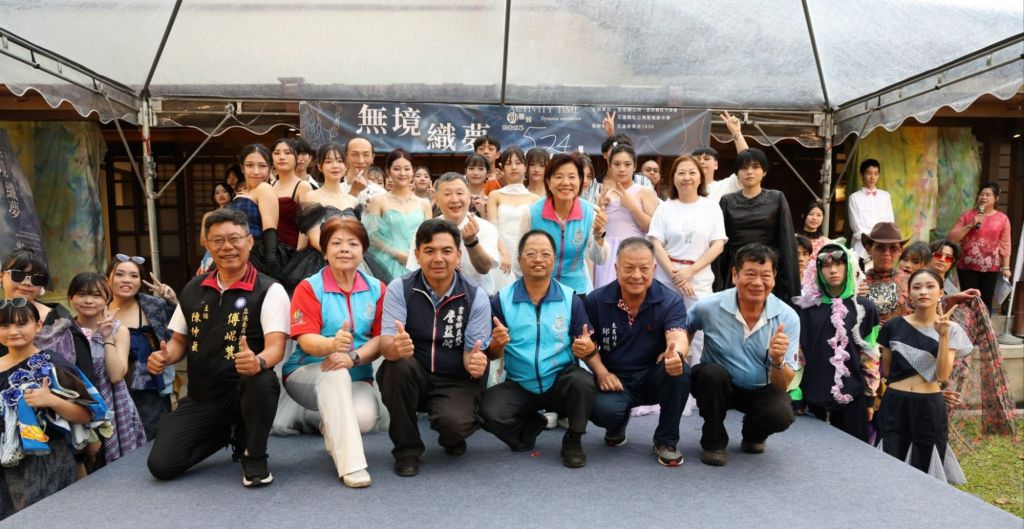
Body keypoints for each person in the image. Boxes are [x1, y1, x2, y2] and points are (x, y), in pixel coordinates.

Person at [146, 209, 287, 488]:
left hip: (245, 390)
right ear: (207, 245)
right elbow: (179, 341)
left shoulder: (269, 289)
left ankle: (254, 454)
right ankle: (228, 432)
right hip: (203, 396)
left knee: (263, 380)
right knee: (162, 464)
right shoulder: (193, 288)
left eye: (234, 239)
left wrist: (258, 361)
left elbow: (276, 347)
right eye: (218, 240)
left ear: (249, 242)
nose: (227, 247)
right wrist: (166, 356)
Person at [378, 219, 492, 477]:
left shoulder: (475, 296)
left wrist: (475, 363)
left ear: (458, 255)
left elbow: (471, 354)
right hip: (414, 374)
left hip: (455, 379)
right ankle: (407, 450)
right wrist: (396, 347)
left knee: (455, 425)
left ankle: (452, 433)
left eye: (446, 251)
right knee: (396, 366)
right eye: (429, 251)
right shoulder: (400, 288)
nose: (438, 258)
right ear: (417, 254)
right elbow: (386, 344)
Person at [482, 230, 596, 468]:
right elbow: (490, 354)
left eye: (545, 254)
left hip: (559, 381)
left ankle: (574, 440)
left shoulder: (570, 299)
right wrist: (496, 345)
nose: (538, 259)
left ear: (554, 260)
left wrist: (587, 347)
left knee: (583, 382)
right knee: (486, 409)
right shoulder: (501, 300)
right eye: (531, 254)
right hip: (520, 383)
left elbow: (586, 344)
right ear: (519, 259)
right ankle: (530, 427)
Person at [287, 218, 385, 488]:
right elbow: (306, 340)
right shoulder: (309, 287)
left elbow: (380, 339)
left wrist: (353, 357)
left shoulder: (377, 288)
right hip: (307, 372)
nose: (344, 249)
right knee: (334, 374)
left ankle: (331, 425)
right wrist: (331, 345)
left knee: (364, 419)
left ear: (363, 251)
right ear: (324, 250)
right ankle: (352, 465)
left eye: (352, 244)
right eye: (336, 243)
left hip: (357, 375)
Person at [685, 243, 799, 466]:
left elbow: (783, 383)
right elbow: (684, 328)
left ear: (774, 277)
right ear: (735, 274)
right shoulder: (709, 306)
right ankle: (713, 441)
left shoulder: (788, 318)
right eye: (750, 274)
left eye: (765, 275)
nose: (757, 282)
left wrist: (778, 360)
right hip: (719, 385)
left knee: (781, 414)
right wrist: (677, 354)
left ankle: (753, 434)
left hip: (760, 388)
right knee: (710, 375)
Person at [582, 238, 690, 466]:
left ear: (654, 269)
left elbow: (678, 335)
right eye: (629, 268)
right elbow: (588, 345)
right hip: (615, 380)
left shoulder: (670, 301)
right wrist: (601, 372)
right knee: (603, 411)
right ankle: (617, 424)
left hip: (652, 377)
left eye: (644, 269)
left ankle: (666, 440)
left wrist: (676, 354)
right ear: (616, 268)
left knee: (680, 371)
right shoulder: (596, 300)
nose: (636, 276)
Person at [0, 299, 108, 519]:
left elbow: (87, 413)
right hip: (4, 461)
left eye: (21, 324)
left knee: (49, 519)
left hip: (48, 460)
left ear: (38, 325)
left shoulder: (52, 364)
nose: (13, 331)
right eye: (4, 325)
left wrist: (51, 400)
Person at [876, 269, 973, 484]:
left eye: (930, 286)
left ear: (941, 292)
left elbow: (942, 375)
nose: (923, 292)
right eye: (917, 287)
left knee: (926, 460)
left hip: (929, 405)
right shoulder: (893, 326)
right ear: (909, 293)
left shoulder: (952, 329)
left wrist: (943, 335)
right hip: (895, 403)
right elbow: (887, 372)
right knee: (889, 459)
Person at [793, 243, 880, 442]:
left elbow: (870, 356)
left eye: (839, 264)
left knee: (851, 452)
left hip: (853, 395)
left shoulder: (865, 308)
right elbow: (798, 354)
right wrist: (795, 393)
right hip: (811, 397)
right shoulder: (806, 308)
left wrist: (869, 397)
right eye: (825, 265)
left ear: (849, 266)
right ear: (817, 270)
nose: (833, 270)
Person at [68, 272, 146, 461]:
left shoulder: (119, 331)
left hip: (113, 402)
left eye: (96, 295)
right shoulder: (64, 331)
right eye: (81, 294)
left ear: (107, 299)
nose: (88, 300)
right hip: (77, 405)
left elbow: (116, 375)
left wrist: (107, 337)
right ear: (71, 298)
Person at [106, 253, 177, 440]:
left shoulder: (155, 306)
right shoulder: (98, 309)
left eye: (134, 276)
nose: (126, 280)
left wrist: (173, 301)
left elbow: (180, 335)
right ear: (107, 279)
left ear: (140, 281)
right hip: (109, 389)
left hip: (149, 391)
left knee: (154, 440)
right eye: (120, 274)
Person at [1, 250, 97, 386]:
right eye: (18, 275)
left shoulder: (61, 323)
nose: (27, 283)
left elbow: (84, 379)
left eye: (36, 279)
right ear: (1, 276)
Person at [716, 148, 799, 303]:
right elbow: (721, 244)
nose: (749, 172)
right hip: (737, 267)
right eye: (744, 168)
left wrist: (790, 287)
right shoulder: (727, 201)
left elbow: (786, 243)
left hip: (766, 265)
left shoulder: (777, 198)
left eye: (755, 167)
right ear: (737, 173)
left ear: (764, 171)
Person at [521, 154, 609, 296]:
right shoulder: (531, 213)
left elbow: (600, 259)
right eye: (559, 177)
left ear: (580, 181)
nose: (566, 182)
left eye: (572, 177)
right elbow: (519, 257)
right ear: (548, 182)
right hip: (539, 290)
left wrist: (599, 233)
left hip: (577, 290)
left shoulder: (590, 212)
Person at [283, 142, 362, 294]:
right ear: (320, 166)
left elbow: (358, 236)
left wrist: (351, 255)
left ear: (346, 166)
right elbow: (314, 238)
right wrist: (338, 256)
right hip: (322, 260)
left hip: (352, 259)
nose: (335, 166)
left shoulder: (353, 201)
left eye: (339, 161)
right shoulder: (312, 196)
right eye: (328, 161)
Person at [649, 155, 726, 307]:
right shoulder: (664, 208)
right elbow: (656, 244)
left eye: (692, 173)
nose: (687, 178)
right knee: (667, 319)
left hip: (699, 279)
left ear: (700, 178)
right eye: (681, 173)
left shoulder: (712, 208)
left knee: (698, 320)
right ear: (673, 178)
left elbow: (718, 245)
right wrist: (676, 277)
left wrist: (690, 271)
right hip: (667, 278)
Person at [406, 173, 501, 296]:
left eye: (460, 193)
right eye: (447, 194)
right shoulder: (425, 229)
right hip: (435, 300)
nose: (455, 200)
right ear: (437, 200)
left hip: (477, 300)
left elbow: (484, 268)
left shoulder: (485, 228)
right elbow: (415, 270)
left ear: (469, 197)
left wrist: (472, 242)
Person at [592, 144, 659, 289]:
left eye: (627, 164)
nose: (622, 169)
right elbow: (596, 229)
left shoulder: (644, 192)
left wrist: (632, 207)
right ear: (610, 166)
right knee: (606, 295)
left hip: (635, 252)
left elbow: (652, 227)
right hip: (607, 255)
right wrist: (600, 208)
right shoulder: (605, 194)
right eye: (616, 164)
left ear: (634, 166)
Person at [365, 149, 432, 284]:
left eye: (407, 169)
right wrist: (395, 253)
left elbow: (429, 237)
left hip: (418, 263)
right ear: (388, 172)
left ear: (412, 171)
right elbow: (371, 236)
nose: (402, 173)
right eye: (397, 169)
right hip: (386, 263)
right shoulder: (378, 200)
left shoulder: (424, 203)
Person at [948, 182, 1013, 310]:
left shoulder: (1002, 219)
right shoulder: (967, 216)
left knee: (986, 300)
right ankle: (968, 323)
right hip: (967, 265)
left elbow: (1005, 243)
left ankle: (985, 323)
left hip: (990, 267)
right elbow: (952, 238)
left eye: (988, 195)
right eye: (981, 194)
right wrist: (970, 225)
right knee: (968, 300)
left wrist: (1006, 267)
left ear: (996, 198)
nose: (984, 197)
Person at [229, 144, 284, 279]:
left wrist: (271, 262)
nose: (256, 171)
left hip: (255, 255)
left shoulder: (264, 188)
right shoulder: (241, 193)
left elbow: (270, 229)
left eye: (262, 166)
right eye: (249, 165)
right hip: (235, 252)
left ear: (270, 168)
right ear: (242, 168)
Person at [487, 146, 540, 280]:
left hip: (527, 254)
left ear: (525, 167)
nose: (514, 167)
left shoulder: (535, 199)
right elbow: (492, 229)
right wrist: (504, 253)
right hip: (502, 254)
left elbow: (536, 233)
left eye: (518, 163)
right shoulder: (495, 195)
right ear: (502, 168)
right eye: (509, 163)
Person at [269, 138, 313, 258]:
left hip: (296, 253)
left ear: (296, 158)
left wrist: (298, 255)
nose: (281, 157)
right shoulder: (270, 186)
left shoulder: (303, 186)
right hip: (274, 253)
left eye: (287, 153)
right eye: (277, 153)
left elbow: (307, 226)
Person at [861, 222, 911, 325]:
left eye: (893, 248)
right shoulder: (858, 281)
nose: (887, 253)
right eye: (880, 247)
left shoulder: (911, 282)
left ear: (900, 251)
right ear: (868, 249)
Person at [696, 111, 749, 205]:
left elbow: (746, 164)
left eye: (706, 159)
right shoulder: (682, 190)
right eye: (697, 159)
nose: (701, 162)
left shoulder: (724, 186)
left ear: (716, 165)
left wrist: (736, 133)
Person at [847, 159, 895, 262]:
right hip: (862, 246)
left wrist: (882, 239)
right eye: (869, 173)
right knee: (861, 271)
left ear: (878, 175)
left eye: (876, 174)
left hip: (883, 245)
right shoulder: (854, 198)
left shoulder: (885, 196)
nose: (872, 177)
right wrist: (872, 240)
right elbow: (856, 226)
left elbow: (890, 221)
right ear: (862, 175)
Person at [198, 182, 236, 275]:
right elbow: (203, 241)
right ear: (214, 197)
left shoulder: (237, 213)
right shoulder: (208, 216)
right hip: (212, 253)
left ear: (231, 194)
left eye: (224, 191)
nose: (221, 195)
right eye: (217, 193)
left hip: (232, 251)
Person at [341, 137, 385, 207]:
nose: (360, 161)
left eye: (366, 155)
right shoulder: (335, 189)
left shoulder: (380, 193)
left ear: (372, 157)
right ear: (346, 157)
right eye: (355, 154)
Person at [464, 153, 492, 218]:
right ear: (465, 172)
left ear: (488, 173)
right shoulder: (457, 198)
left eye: (481, 169)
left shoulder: (490, 201)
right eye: (471, 168)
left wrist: (483, 214)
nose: (475, 173)